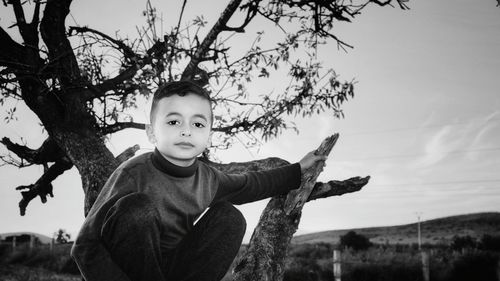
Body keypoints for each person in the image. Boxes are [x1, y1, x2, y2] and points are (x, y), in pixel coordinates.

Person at [71, 80, 327, 281]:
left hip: (174, 268)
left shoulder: (207, 178)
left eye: (198, 123)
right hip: (128, 268)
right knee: (137, 208)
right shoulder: (133, 173)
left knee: (230, 217)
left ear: (209, 136)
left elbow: (250, 184)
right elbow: (84, 247)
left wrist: (298, 169)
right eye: (173, 121)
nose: (186, 130)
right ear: (151, 133)